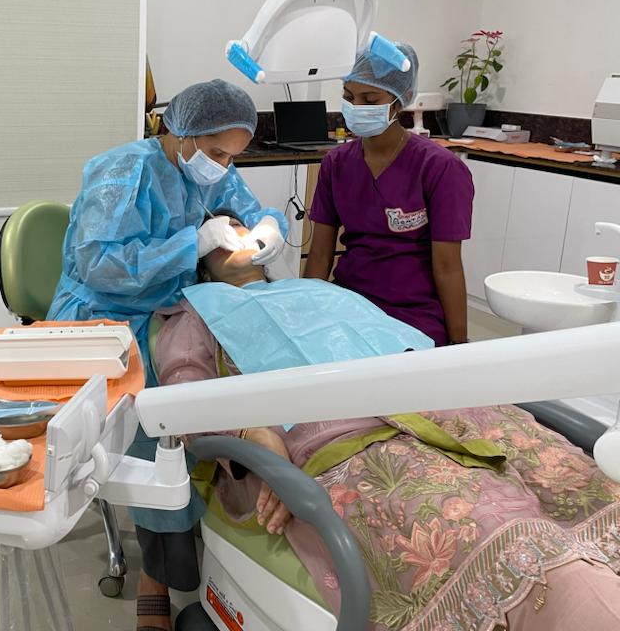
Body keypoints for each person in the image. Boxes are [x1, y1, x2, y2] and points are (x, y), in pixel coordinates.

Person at [155, 229, 620, 631]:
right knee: (495, 528)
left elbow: (403, 342)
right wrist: (248, 434)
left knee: (581, 482)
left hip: (442, 403)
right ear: (198, 262)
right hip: (342, 440)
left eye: (243, 224)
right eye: (222, 231)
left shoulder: (319, 290)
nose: (237, 233)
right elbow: (184, 394)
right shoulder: (194, 316)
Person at [46, 80, 288, 631]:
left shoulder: (213, 167)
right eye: (218, 153)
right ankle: (156, 579)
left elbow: (249, 209)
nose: (224, 166)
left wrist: (270, 226)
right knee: (161, 441)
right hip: (107, 322)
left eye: (233, 156)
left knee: (217, 405)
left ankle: (213, 540)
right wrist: (193, 245)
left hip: (175, 310)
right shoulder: (122, 171)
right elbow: (100, 265)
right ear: (180, 132)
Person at [304, 42, 475, 346]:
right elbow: (319, 254)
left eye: (369, 99)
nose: (355, 107)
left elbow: (448, 266)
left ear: (399, 101)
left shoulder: (439, 168)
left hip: (412, 313)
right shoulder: (337, 164)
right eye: (348, 97)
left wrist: (459, 349)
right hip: (349, 301)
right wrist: (306, 317)